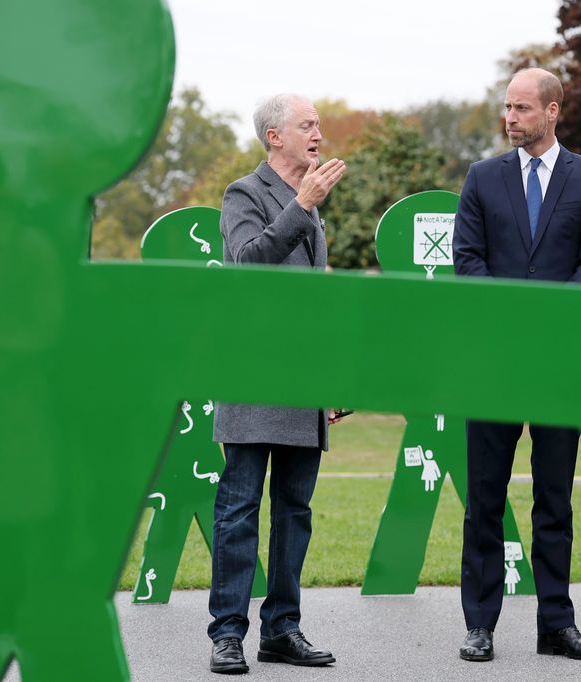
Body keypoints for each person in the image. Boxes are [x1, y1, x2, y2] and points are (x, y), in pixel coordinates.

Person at [452, 68, 581, 664]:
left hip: (559, 366)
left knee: (555, 499)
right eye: (506, 107)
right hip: (492, 365)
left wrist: (544, 326)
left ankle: (557, 624)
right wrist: (510, 323)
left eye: (522, 108)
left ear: (552, 112)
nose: (509, 118)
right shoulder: (482, 178)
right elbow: (466, 261)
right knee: (485, 500)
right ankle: (480, 625)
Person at [207, 93, 346, 675]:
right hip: (252, 379)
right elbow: (245, 265)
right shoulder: (245, 193)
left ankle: (282, 630)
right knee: (239, 508)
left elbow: (317, 300)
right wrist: (302, 205)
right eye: (307, 124)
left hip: (304, 382)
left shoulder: (309, 198)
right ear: (274, 137)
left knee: (295, 511)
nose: (319, 132)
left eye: (318, 124)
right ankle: (228, 635)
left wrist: (338, 375)